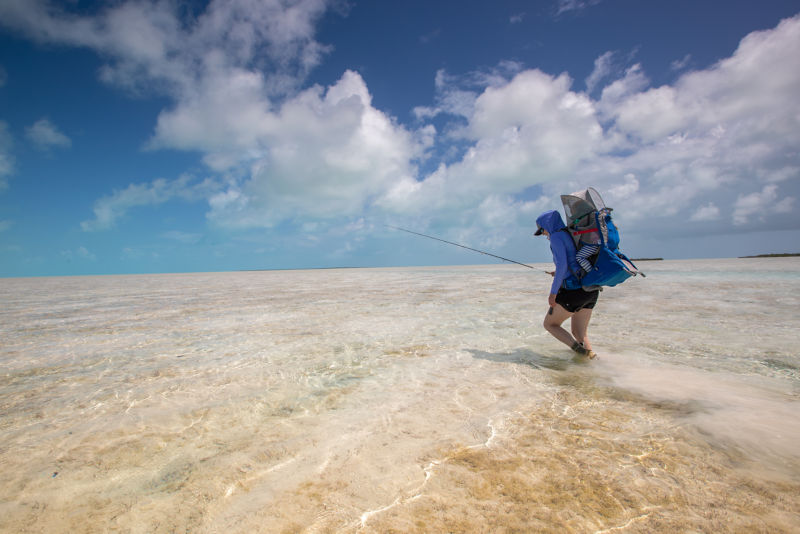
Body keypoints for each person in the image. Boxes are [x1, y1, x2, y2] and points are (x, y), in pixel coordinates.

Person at [534, 210, 598, 359]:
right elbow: (572, 262)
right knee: (579, 333)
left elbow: (563, 265)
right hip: (590, 290)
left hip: (573, 292)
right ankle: (592, 360)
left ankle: (578, 350)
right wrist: (558, 272)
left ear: (547, 225)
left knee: (550, 324)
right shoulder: (570, 233)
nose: (543, 234)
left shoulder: (556, 237)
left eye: (542, 229)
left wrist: (553, 293)